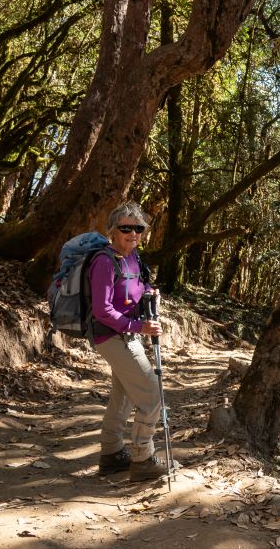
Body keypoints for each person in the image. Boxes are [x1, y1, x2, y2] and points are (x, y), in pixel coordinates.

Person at [90, 202, 169, 482]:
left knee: (122, 396)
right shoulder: (104, 261)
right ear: (113, 231)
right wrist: (139, 326)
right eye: (126, 228)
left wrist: (149, 291)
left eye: (138, 228)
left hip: (128, 334)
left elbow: (137, 287)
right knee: (151, 392)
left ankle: (111, 455)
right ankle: (143, 458)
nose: (133, 233)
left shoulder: (133, 258)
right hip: (112, 336)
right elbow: (102, 310)